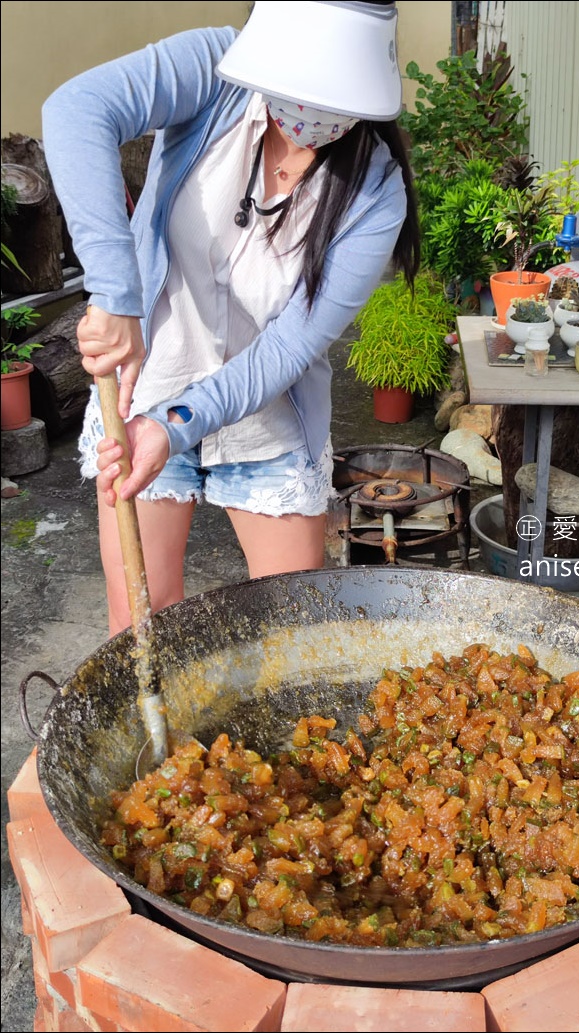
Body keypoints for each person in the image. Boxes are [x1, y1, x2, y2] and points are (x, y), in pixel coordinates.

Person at [42, 1, 419, 636]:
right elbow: (75, 111)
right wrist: (115, 294)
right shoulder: (213, 69)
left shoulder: (376, 197)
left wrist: (174, 425)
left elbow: (289, 349)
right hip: (146, 389)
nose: (307, 111)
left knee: (289, 637)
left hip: (266, 420)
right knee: (142, 630)